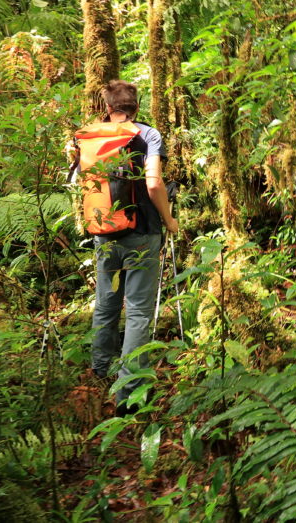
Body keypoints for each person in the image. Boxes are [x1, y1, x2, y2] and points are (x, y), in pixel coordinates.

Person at [89, 80, 178, 415]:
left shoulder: (90, 136)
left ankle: (100, 370)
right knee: (139, 311)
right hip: (142, 232)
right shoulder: (148, 135)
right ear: (136, 106)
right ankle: (128, 394)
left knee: (106, 303)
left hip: (104, 231)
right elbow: (154, 182)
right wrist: (169, 219)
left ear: (108, 106)